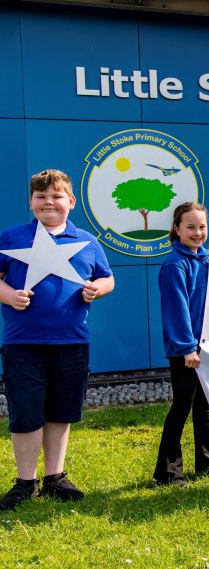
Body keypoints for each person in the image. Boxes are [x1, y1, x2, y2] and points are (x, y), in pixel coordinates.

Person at [0, 170, 114, 511]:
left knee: (60, 412)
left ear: (71, 202)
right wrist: (9, 296)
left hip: (71, 342)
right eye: (41, 197)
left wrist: (99, 289)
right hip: (23, 343)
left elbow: (108, 278)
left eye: (56, 196)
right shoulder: (11, 237)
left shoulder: (87, 241)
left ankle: (55, 477)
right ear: (31, 201)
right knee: (26, 412)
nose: (48, 203)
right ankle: (25, 482)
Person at [153, 202, 209, 485]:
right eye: (190, 227)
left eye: (202, 227)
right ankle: (168, 471)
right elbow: (175, 309)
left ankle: (208, 460)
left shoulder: (206, 257)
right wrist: (186, 347)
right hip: (187, 350)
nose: (197, 233)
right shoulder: (174, 265)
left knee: (204, 405)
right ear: (176, 229)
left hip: (208, 344)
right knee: (182, 405)